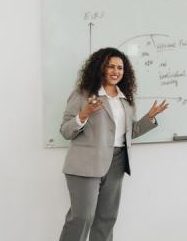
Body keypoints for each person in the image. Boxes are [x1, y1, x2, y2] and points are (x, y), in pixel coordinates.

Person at [59, 47, 169, 241]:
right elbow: (66, 131)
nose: (115, 71)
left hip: (117, 163)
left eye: (120, 67)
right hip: (85, 165)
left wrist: (149, 118)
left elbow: (129, 133)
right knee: (82, 218)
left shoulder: (124, 99)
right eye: (110, 66)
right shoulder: (83, 94)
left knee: (106, 218)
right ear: (100, 68)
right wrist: (84, 114)